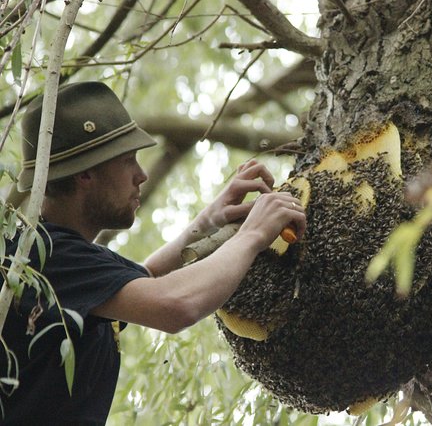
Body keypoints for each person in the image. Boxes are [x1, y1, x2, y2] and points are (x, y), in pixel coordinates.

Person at [0, 81, 306, 425]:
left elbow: (139, 281)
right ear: (87, 173)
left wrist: (207, 222)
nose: (141, 175)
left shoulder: (50, 256)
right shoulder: (42, 257)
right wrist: (252, 235)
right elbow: (174, 304)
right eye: (129, 160)